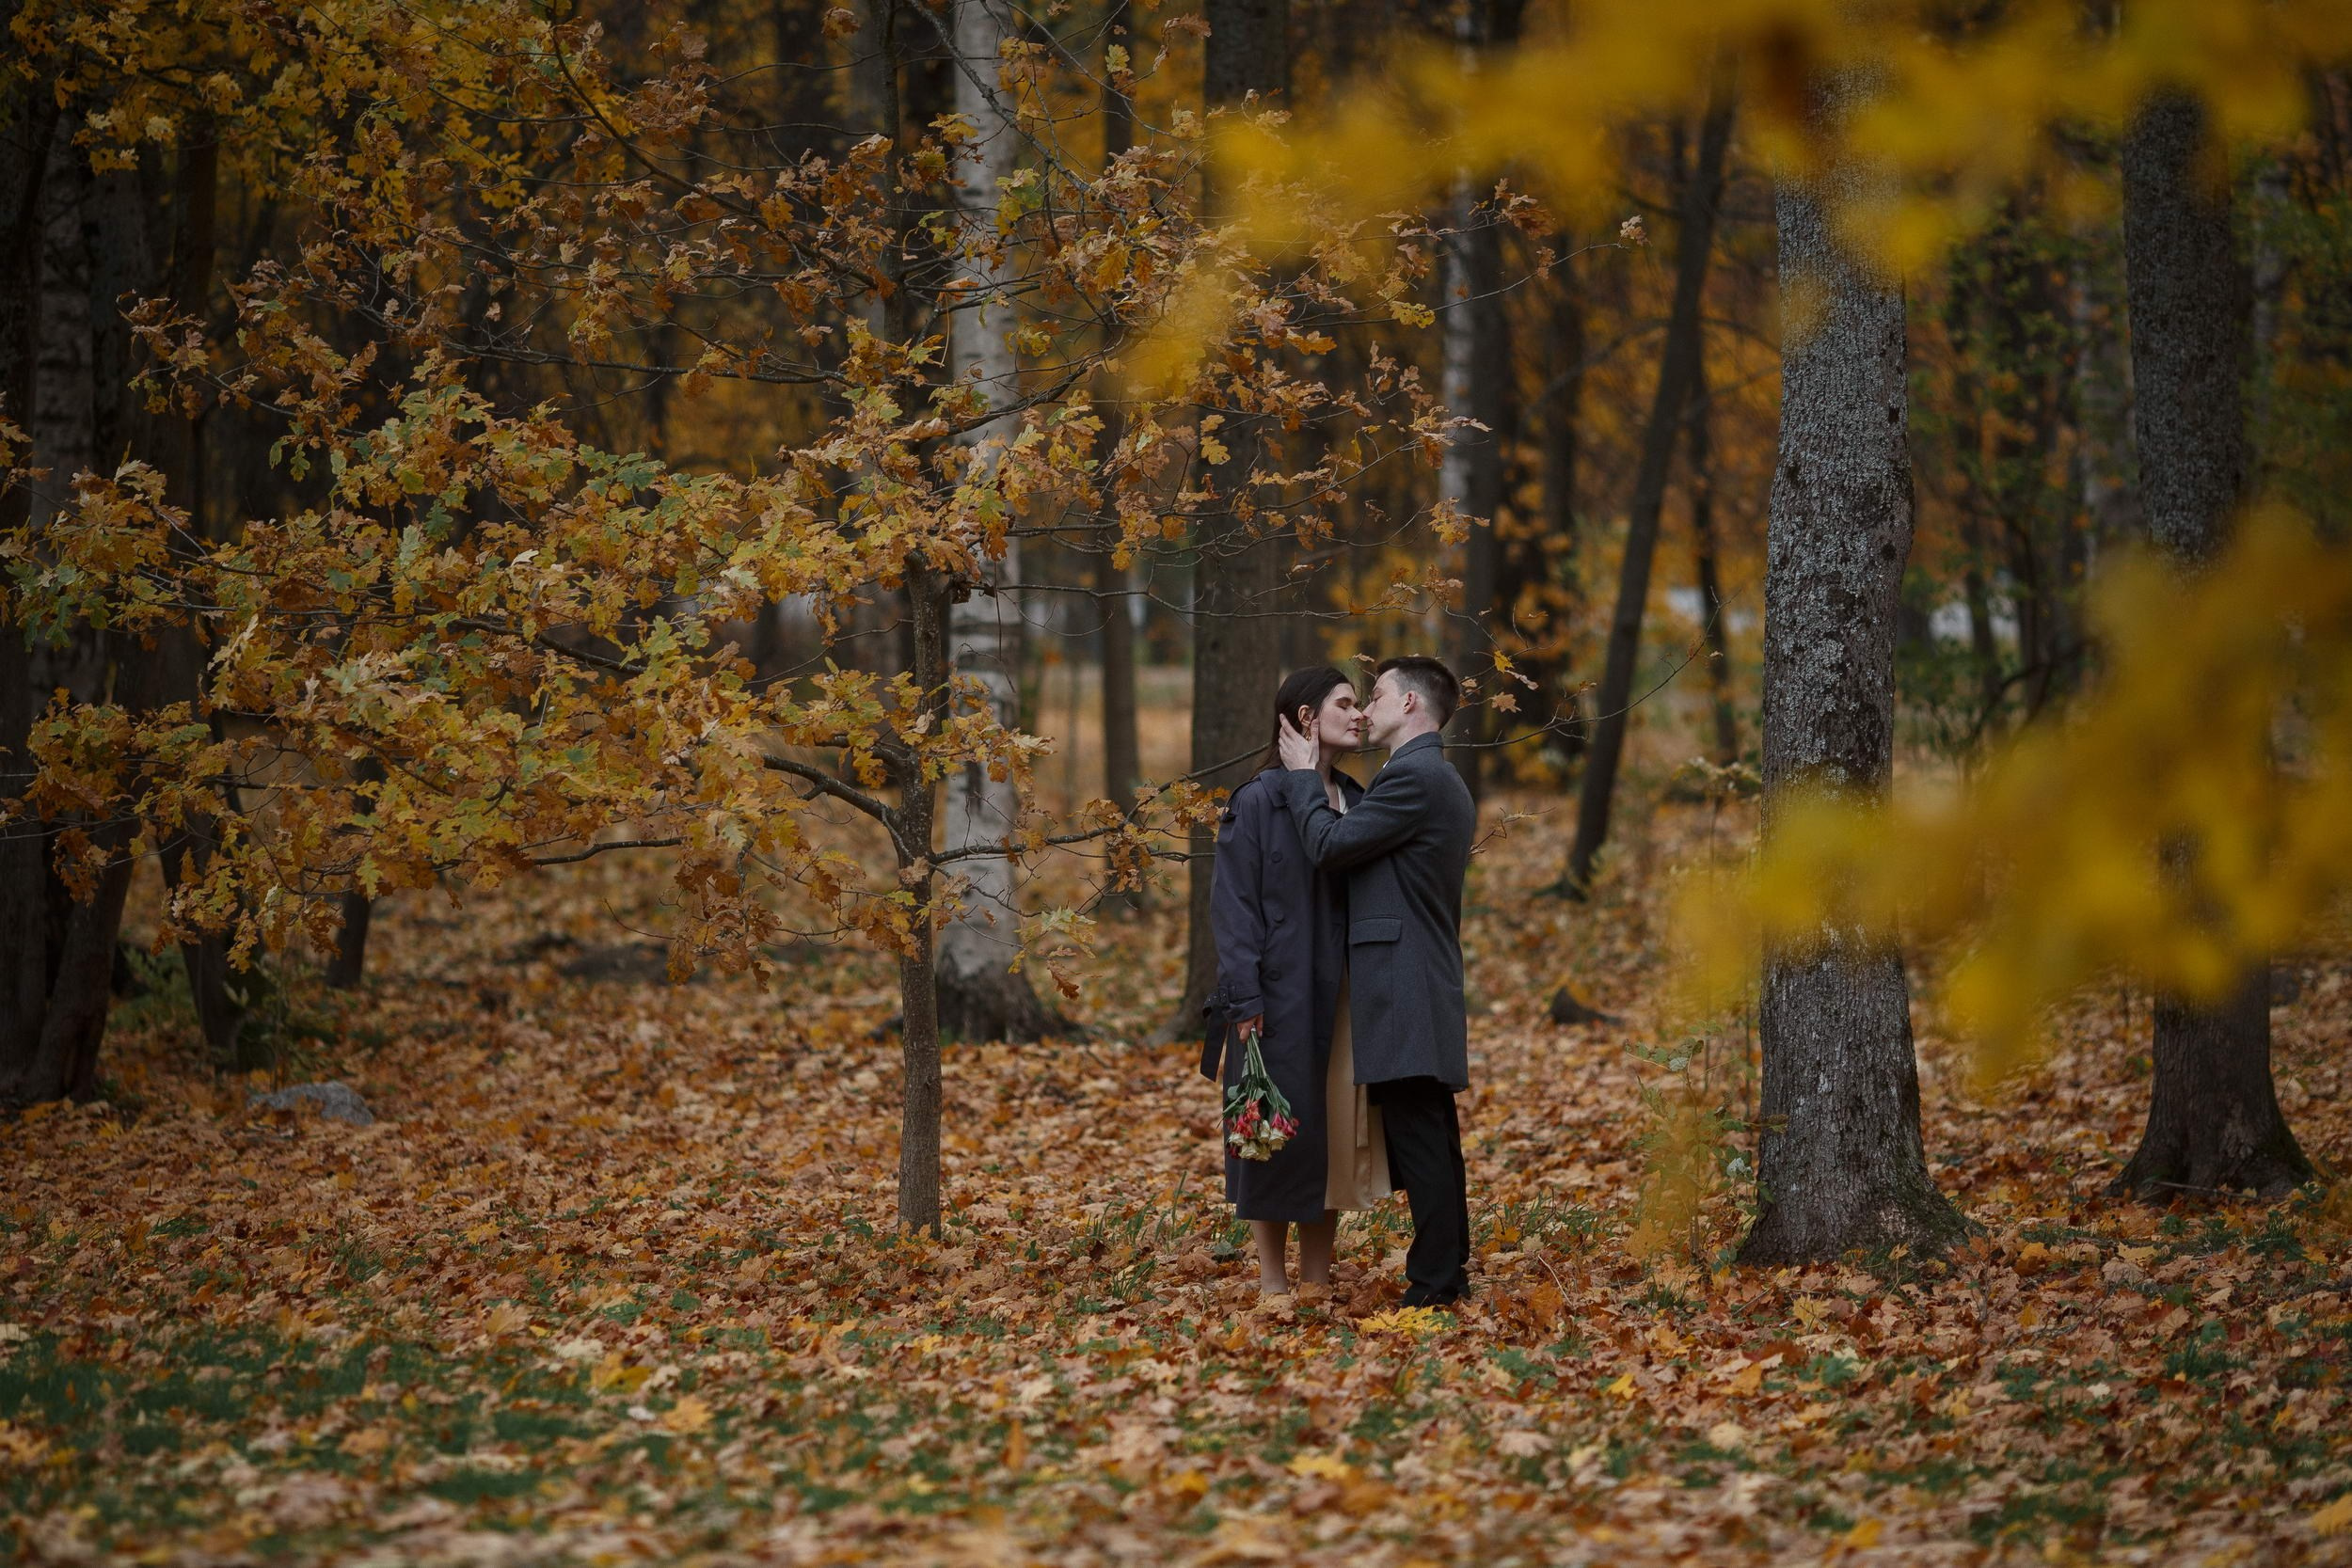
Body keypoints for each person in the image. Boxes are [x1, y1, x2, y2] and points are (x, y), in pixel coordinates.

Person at [1274, 655, 1476, 1307]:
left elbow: (1330, 846)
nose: (1366, 708)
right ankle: (1446, 1273)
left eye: (1379, 693)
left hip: (1405, 981)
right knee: (1432, 1136)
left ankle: (1433, 1286)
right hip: (1417, 976)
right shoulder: (1427, 776)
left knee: (1422, 1139)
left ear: (1411, 703)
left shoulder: (1414, 778)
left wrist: (1305, 778)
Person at [1203, 667, 1392, 1296]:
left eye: (1361, 702)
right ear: (1307, 718)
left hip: (1343, 998)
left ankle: (1317, 1277)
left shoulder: (1360, 801)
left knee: (1330, 1136)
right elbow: (1233, 907)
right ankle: (1272, 1280)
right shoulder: (1256, 799)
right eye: (1345, 702)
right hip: (1274, 997)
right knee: (1268, 1133)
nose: (1359, 712)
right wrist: (1245, 997)